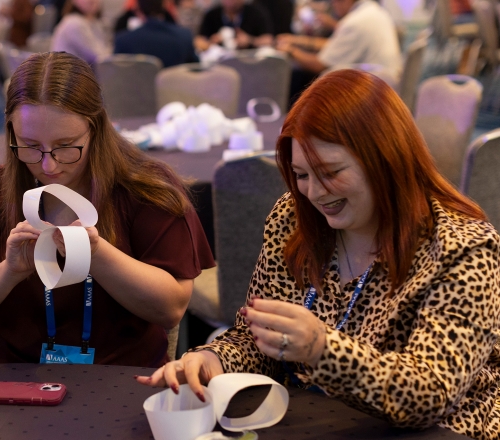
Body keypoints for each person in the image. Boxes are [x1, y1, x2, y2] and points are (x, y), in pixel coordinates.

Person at [136, 69, 500, 440]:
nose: (314, 193)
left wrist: (322, 349)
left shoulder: (463, 248)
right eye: (301, 174)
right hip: (315, 421)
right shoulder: (294, 219)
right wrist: (213, 359)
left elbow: (431, 394)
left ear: (385, 159)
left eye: (330, 171)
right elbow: (258, 340)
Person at [0, 52, 214, 366]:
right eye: (30, 145)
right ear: (10, 132)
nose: (48, 165)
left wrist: (97, 254)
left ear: (96, 128)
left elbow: (170, 308)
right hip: (12, 376)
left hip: (121, 377)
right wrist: (8, 272)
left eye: (65, 145)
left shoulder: (146, 190)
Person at [276, 0, 400, 104]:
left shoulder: (355, 22)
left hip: (369, 93)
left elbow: (320, 64)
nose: (332, 5)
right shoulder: (373, 12)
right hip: (385, 87)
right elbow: (335, 45)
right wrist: (298, 40)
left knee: (298, 78)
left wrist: (290, 51)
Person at [113, 0, 197, 68]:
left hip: (137, 84)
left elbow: (116, 73)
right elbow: (196, 68)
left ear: (138, 9)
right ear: (165, 5)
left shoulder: (123, 41)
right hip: (174, 84)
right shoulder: (184, 36)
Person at [50, 0, 111, 66]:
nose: (92, 1)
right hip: (68, 70)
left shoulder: (97, 22)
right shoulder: (73, 23)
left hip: (85, 69)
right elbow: (96, 56)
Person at [196, 0, 272, 51]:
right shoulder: (212, 15)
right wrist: (211, 42)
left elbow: (268, 40)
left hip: (248, 59)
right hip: (220, 62)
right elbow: (198, 41)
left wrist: (250, 40)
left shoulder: (256, 13)